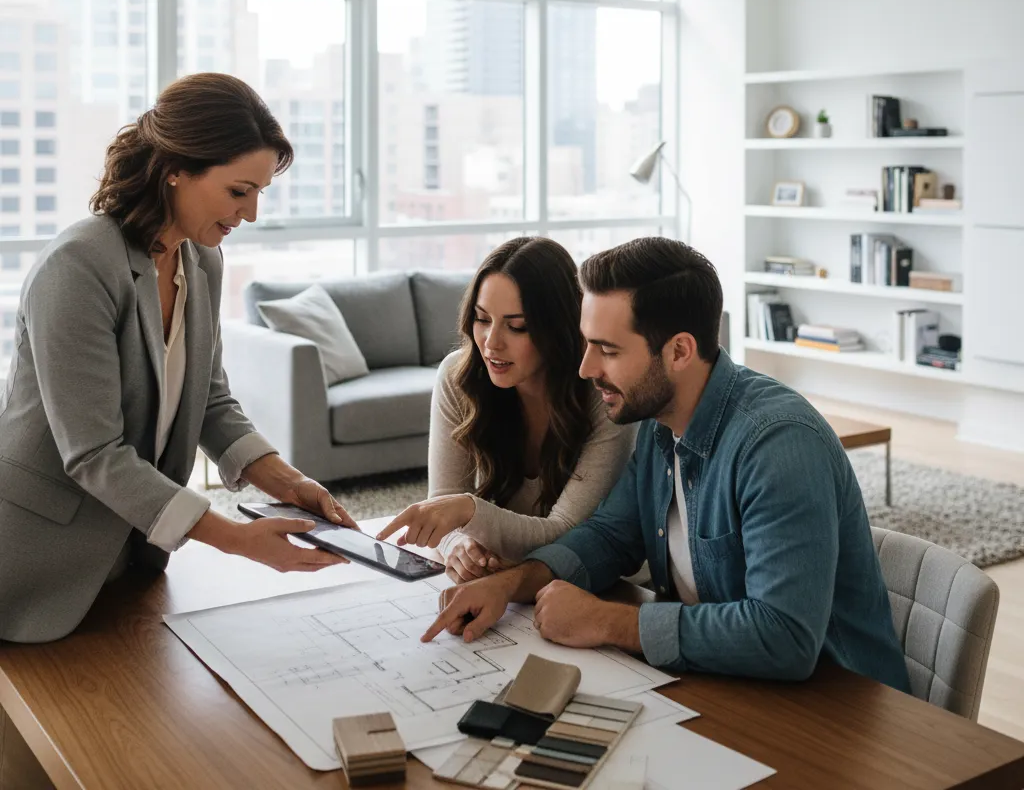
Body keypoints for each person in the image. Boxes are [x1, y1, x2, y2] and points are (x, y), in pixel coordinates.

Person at [423, 237, 910, 692]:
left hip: (838, 712)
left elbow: (783, 637)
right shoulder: (660, 425)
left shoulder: (779, 446)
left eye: (608, 350)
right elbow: (607, 538)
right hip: (727, 684)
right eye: (588, 343)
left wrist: (610, 621)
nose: (585, 368)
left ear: (679, 351)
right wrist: (507, 585)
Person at [0, 73, 358, 649]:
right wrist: (237, 540)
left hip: (130, 552)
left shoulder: (201, 262)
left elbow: (211, 399)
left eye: (260, 193)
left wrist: (288, 481)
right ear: (177, 170)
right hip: (34, 560)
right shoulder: (78, 267)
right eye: (239, 191)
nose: (251, 213)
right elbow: (93, 453)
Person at [376, 237, 636, 583]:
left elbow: (567, 535)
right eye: (482, 319)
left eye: (517, 326)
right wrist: (457, 545)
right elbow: (442, 502)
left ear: (558, 328)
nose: (491, 342)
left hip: (599, 585)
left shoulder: (602, 395)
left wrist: (468, 511)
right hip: (506, 581)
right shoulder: (460, 377)